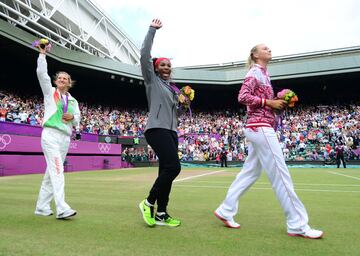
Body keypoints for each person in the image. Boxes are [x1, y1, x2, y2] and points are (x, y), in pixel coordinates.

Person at [214, 44, 323, 239]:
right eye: (265, 48)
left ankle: (226, 209)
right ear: (255, 55)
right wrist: (269, 102)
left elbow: (261, 101)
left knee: (251, 172)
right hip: (260, 127)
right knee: (280, 175)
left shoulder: (265, 74)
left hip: (259, 126)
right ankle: (297, 224)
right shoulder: (254, 72)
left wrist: (277, 103)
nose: (269, 49)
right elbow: (243, 96)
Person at [138, 19, 181, 227]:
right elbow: (144, 55)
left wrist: (183, 101)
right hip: (156, 129)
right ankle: (148, 202)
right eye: (162, 65)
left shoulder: (172, 89)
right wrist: (152, 30)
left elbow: (175, 111)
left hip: (172, 132)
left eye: (169, 65)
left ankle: (162, 212)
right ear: (155, 68)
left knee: (166, 170)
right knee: (174, 167)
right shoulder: (151, 81)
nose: (166, 67)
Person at [34, 42, 80, 219]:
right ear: (56, 81)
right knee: (58, 170)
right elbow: (41, 74)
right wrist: (42, 55)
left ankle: (42, 206)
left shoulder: (74, 101)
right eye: (59, 78)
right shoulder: (50, 92)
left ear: (69, 83)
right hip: (51, 136)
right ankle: (62, 208)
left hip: (65, 139)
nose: (62, 80)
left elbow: (78, 119)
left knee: (50, 173)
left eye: (65, 79)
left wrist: (73, 118)